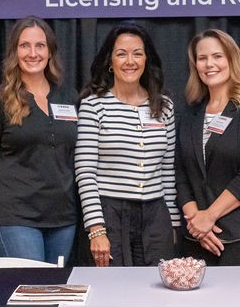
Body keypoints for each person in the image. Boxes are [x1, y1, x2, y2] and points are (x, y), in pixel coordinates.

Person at [74, 21, 179, 267]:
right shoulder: (93, 105)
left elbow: (167, 171)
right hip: (109, 214)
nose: (130, 61)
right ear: (110, 62)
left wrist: (172, 224)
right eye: (121, 54)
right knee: (113, 286)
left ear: (146, 59)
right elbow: (85, 171)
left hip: (155, 217)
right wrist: (96, 229)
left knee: (157, 284)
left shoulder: (164, 106)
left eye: (137, 53)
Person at [0, 17, 77, 264]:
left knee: (54, 286)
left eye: (40, 45)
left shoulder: (69, 97)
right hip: (16, 219)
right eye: (24, 46)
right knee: (32, 286)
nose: (33, 53)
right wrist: (1, 213)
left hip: (63, 219)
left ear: (50, 51)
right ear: (14, 52)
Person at [175, 29, 240, 266]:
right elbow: (181, 174)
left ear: (232, 59)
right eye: (202, 58)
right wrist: (197, 222)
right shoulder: (190, 113)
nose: (209, 64)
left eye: (217, 56)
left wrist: (209, 216)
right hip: (197, 240)